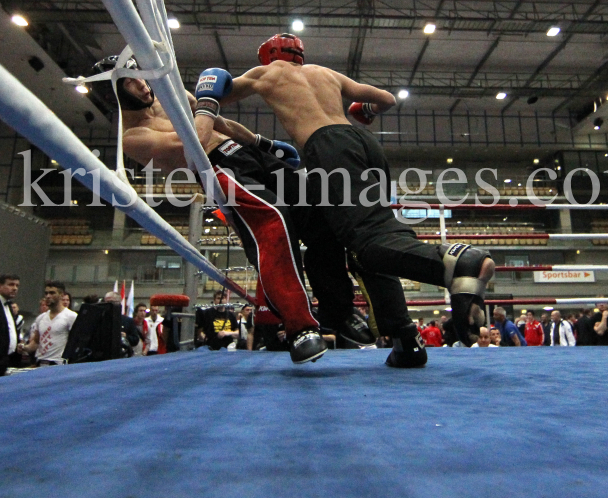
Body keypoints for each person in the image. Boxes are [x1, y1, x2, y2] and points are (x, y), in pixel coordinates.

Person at [193, 36, 495, 364]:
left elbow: (219, 89)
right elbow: (386, 98)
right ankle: (406, 340)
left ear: (268, 56)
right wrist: (363, 111)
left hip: (329, 149)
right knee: (362, 242)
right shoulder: (326, 74)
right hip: (364, 143)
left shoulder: (267, 73)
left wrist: (205, 90)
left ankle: (454, 263)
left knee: (368, 241)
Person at [94, 55, 328, 364]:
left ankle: (340, 310)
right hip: (218, 170)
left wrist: (263, 144)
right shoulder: (133, 138)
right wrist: (205, 100)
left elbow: (222, 124)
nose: (141, 83)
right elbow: (193, 144)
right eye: (130, 82)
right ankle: (300, 329)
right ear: (115, 94)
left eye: (139, 75)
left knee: (324, 208)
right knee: (273, 219)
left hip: (245, 153)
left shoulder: (167, 96)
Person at [21, 282, 77, 366]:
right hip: (40, 362)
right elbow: (36, 342)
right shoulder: (41, 318)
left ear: (61, 295)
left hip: (58, 363)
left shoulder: (71, 316)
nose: (48, 296)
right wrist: (24, 348)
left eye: (52, 293)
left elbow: (76, 342)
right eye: (46, 293)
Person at [103, 291, 141, 355]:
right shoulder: (101, 319)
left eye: (111, 302)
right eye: (105, 302)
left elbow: (135, 340)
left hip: (121, 354)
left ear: (119, 303)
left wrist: (126, 337)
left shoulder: (127, 321)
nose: (107, 305)